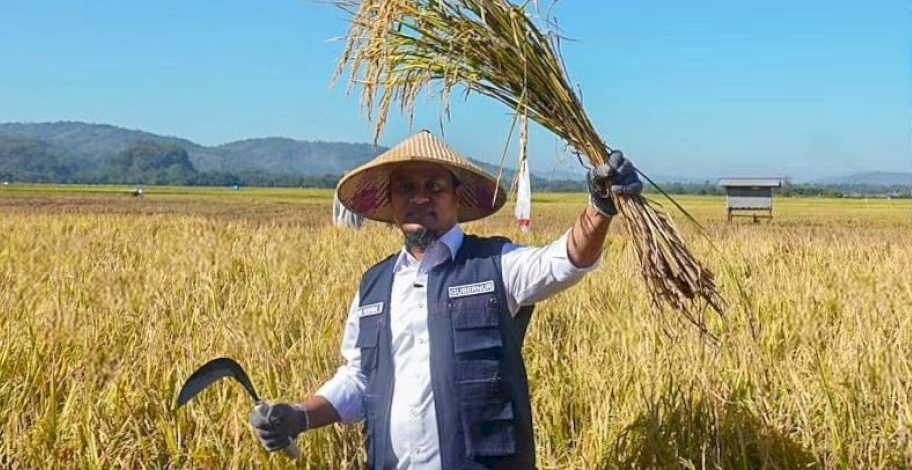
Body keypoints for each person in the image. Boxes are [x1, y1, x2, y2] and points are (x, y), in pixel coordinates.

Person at [250, 130, 642, 469]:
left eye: (434, 186)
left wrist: (600, 208)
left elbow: (565, 261)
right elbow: (358, 378)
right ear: (390, 201)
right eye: (405, 187)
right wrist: (300, 417)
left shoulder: (495, 265)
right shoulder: (373, 285)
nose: (419, 198)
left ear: (457, 197)